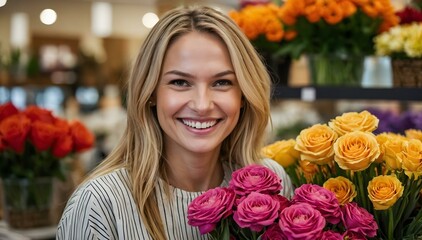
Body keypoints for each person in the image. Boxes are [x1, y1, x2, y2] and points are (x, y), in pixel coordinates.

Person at [56, 5, 293, 240]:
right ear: (149, 93)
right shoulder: (99, 203)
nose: (202, 105)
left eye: (221, 82)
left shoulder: (272, 182)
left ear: (243, 95)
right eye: (180, 82)